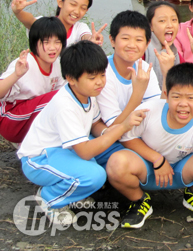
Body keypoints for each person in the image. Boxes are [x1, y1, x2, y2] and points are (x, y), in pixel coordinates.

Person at [18, 41, 146, 227]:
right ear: (71, 78)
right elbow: (85, 152)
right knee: (94, 175)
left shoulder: (86, 94)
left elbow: (94, 123)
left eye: (102, 75)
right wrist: (121, 128)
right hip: (38, 159)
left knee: (107, 152)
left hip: (63, 150)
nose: (100, 81)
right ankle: (49, 199)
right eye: (92, 77)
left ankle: (72, 192)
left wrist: (106, 132)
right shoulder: (65, 106)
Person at [106, 63, 193, 228]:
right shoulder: (149, 110)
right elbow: (126, 137)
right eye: (176, 97)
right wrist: (157, 159)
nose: (183, 104)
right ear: (166, 95)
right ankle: (139, 200)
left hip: (181, 171)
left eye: (191, 98)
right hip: (147, 168)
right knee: (115, 163)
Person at [0, 17, 66, 144]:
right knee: (63, 95)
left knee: (67, 94)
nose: (53, 48)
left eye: (57, 42)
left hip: (32, 119)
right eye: (46, 42)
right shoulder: (25, 64)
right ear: (34, 43)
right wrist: (16, 74)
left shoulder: (57, 63)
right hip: (10, 121)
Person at [96, 11, 163, 132]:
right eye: (125, 38)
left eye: (139, 40)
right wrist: (138, 92)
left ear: (147, 43)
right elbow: (114, 127)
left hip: (135, 132)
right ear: (112, 40)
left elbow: (156, 111)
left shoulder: (145, 69)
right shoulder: (102, 72)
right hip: (109, 136)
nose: (132, 45)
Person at [11, 0, 106, 47]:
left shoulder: (80, 28)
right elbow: (30, 21)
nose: (77, 11)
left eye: (83, 8)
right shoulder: (46, 24)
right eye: (73, 4)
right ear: (60, 2)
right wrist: (18, 12)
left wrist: (92, 40)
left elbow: (86, 37)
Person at [144, 1, 183, 90]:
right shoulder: (143, 50)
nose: (170, 25)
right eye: (162, 21)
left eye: (174, 20)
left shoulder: (174, 53)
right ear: (150, 26)